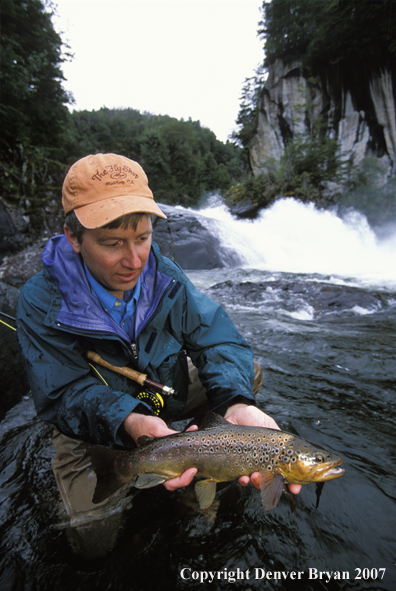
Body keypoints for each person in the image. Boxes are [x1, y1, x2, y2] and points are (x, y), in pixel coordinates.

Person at [16, 153, 300, 553]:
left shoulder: (165, 275)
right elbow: (61, 394)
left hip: (161, 395)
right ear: (73, 238)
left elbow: (218, 339)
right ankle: (158, 463)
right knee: (93, 542)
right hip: (93, 425)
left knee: (244, 374)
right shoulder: (39, 301)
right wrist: (130, 422)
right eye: (113, 244)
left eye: (143, 238)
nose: (134, 261)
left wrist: (235, 403)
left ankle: (199, 465)